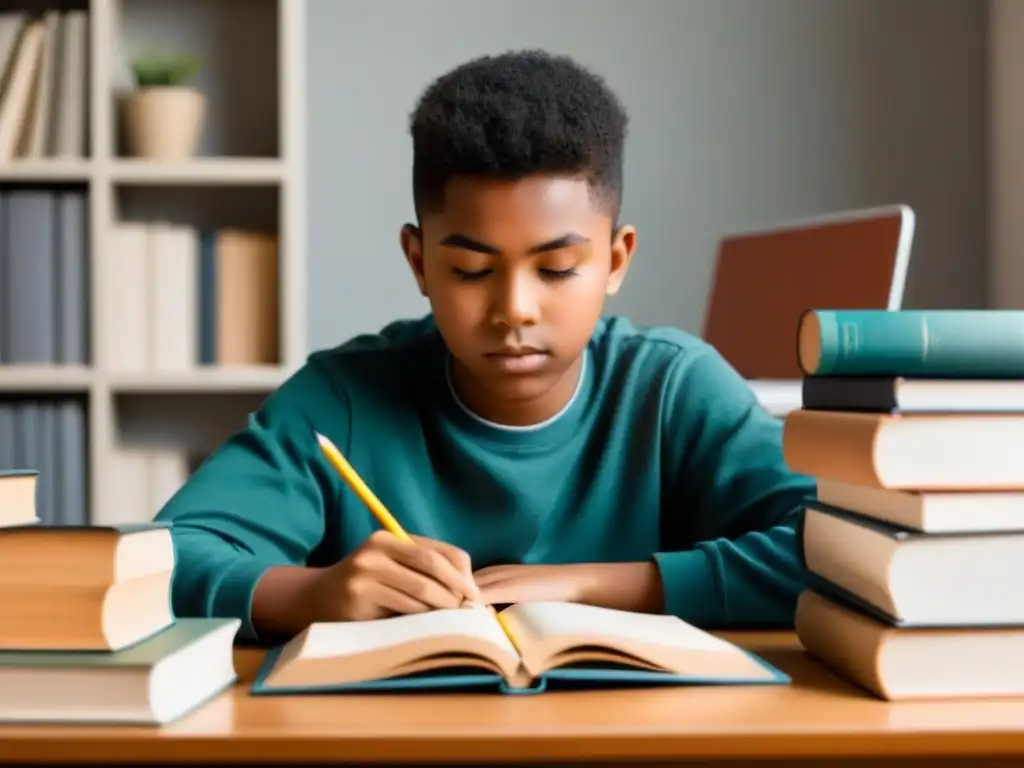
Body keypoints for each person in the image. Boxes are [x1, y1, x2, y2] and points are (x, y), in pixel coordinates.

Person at [155, 49, 816, 642]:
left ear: (617, 259)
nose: (514, 310)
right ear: (418, 262)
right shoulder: (345, 399)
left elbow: (845, 556)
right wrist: (313, 594)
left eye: (556, 268)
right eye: (472, 271)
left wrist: (592, 587)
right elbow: (160, 560)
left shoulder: (673, 389)